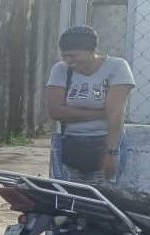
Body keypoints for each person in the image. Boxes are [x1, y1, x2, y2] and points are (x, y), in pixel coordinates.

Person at [46, 25, 135, 185]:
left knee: (105, 197)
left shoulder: (117, 67)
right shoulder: (60, 70)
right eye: (64, 56)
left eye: (73, 55)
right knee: (68, 197)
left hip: (106, 142)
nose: (68, 61)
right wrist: (101, 113)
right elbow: (56, 111)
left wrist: (111, 152)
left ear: (91, 51)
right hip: (71, 143)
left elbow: (115, 114)